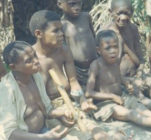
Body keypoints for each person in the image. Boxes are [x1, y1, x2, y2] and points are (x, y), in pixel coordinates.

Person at [29, 10, 108, 139]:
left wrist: (82, 101)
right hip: (49, 111)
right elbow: (33, 100)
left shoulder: (63, 50)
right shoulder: (30, 60)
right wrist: (57, 114)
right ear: (39, 34)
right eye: (55, 31)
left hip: (70, 104)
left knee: (99, 134)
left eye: (61, 30)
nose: (61, 34)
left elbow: (73, 82)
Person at [86, 30, 151, 131]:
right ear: (99, 50)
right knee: (131, 114)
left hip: (122, 97)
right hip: (106, 104)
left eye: (115, 47)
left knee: (142, 109)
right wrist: (112, 97)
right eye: (108, 48)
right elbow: (89, 93)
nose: (113, 51)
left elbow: (118, 76)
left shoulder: (115, 61)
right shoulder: (96, 65)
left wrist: (126, 83)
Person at [0, 41, 70, 140]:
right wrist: (43, 137)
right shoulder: (6, 89)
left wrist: (63, 114)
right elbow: (10, 134)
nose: (36, 61)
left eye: (35, 55)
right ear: (13, 67)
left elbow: (47, 109)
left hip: (43, 131)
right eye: (29, 60)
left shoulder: (35, 76)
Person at [57, 0, 98, 87]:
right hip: (77, 70)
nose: (77, 7)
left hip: (95, 65)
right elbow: (63, 50)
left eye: (79, 3)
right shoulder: (61, 25)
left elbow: (93, 36)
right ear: (60, 5)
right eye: (72, 4)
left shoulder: (86, 17)